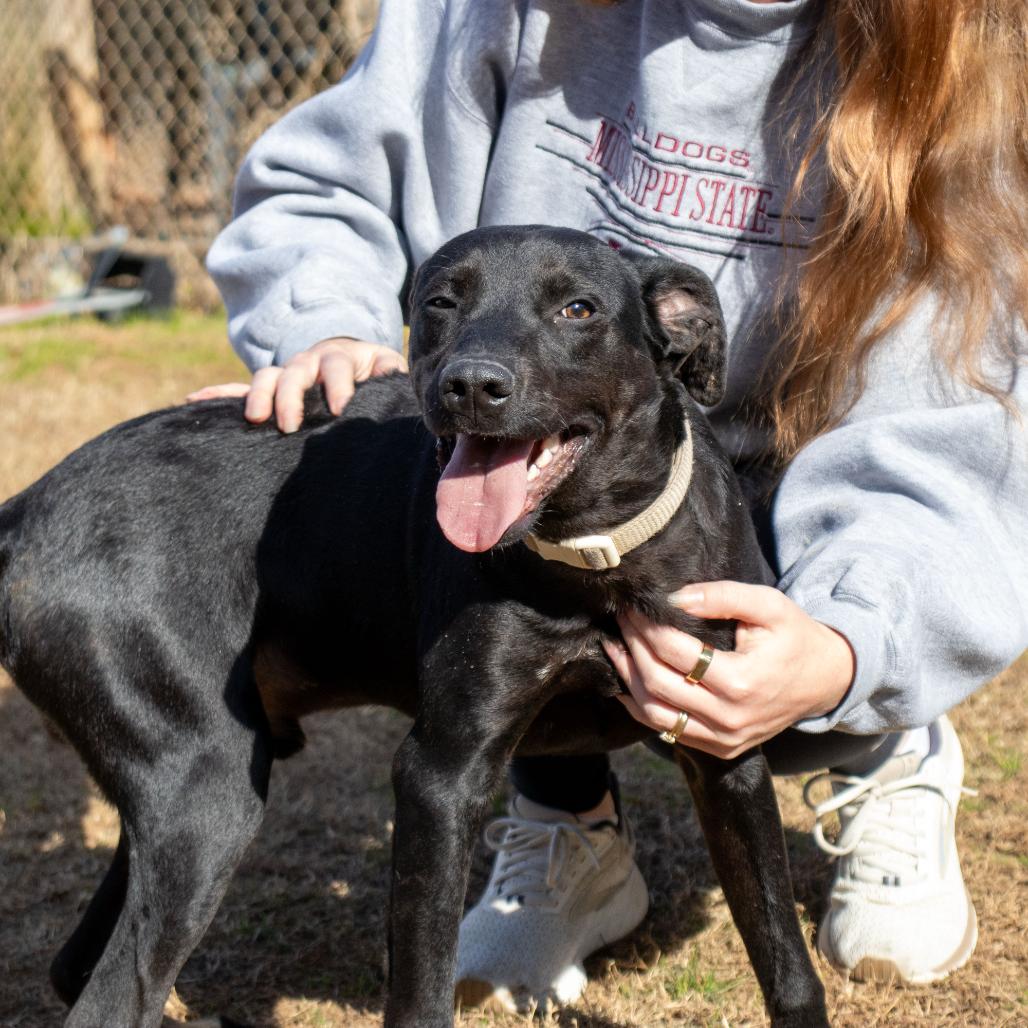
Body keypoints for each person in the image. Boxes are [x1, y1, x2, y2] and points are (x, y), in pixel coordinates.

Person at [199, 0, 1027, 1013]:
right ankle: (560, 809)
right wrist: (321, 318)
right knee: (488, 562)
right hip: (516, 456)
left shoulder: (941, 62)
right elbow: (331, 183)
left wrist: (853, 643)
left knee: (783, 628)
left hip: (786, 507)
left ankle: (881, 744)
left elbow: (942, 428)